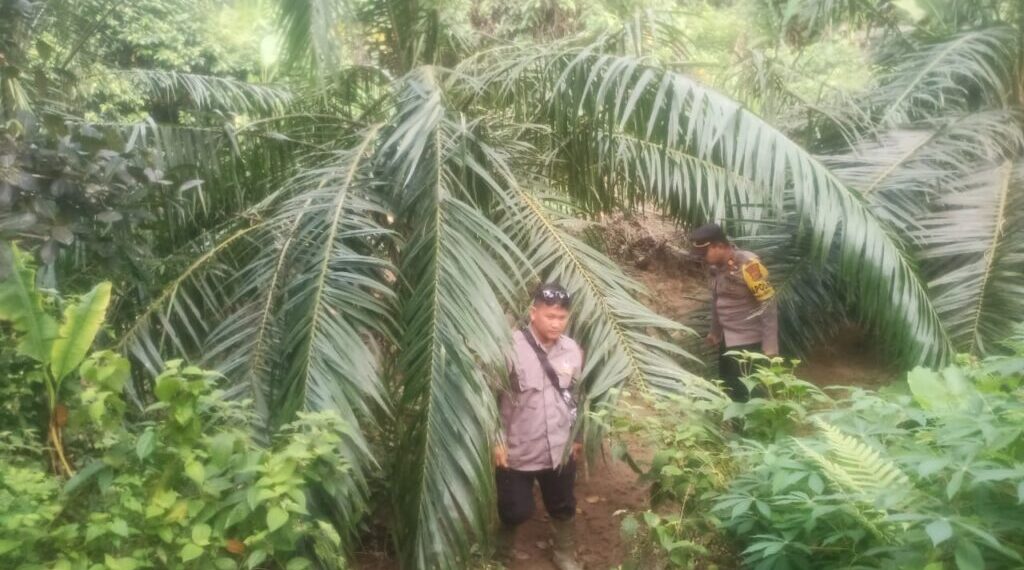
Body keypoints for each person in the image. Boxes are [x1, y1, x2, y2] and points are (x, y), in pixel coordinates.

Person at [492, 283, 584, 570]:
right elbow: (488, 396)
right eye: (550, 317)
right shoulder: (509, 348)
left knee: (563, 505)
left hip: (559, 447)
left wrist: (578, 437)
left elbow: (578, 396)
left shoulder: (572, 350)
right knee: (515, 510)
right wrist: (496, 439)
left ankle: (564, 552)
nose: (556, 324)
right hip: (518, 448)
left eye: (562, 318)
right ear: (533, 313)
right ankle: (500, 552)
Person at [689, 223, 779, 402]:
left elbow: (769, 304)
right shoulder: (716, 267)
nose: (702, 259)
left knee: (750, 394)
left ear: (719, 246)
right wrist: (715, 332)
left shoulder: (749, 266)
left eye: (704, 253)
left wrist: (770, 346)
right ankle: (736, 427)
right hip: (727, 340)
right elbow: (717, 301)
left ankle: (753, 429)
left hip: (749, 343)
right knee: (730, 389)